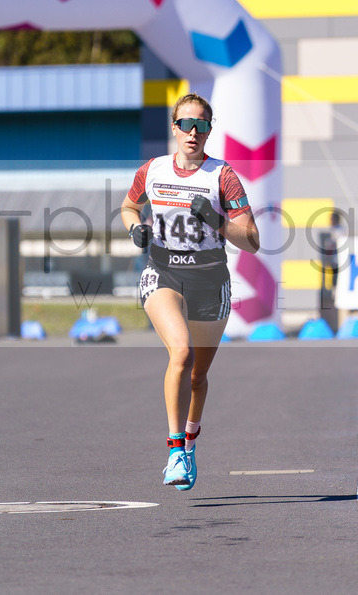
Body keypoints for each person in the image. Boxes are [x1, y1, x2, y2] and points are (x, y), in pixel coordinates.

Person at [119, 92, 260, 491]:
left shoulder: (223, 176)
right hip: (163, 272)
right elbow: (129, 206)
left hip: (210, 278)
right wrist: (135, 228)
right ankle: (175, 449)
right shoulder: (154, 170)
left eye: (201, 125)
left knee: (198, 377)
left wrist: (214, 218)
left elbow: (251, 240)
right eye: (186, 124)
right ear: (174, 127)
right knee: (180, 352)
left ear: (209, 130)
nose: (193, 133)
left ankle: (191, 440)